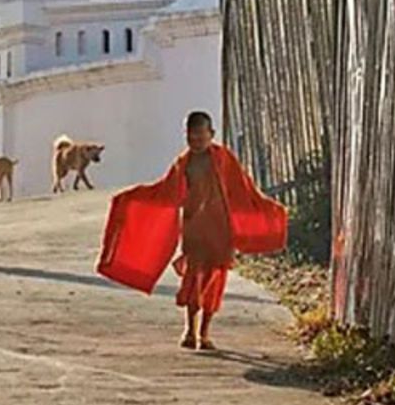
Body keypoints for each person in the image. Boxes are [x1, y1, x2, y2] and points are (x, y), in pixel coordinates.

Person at [97, 110, 286, 352]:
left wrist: (269, 211)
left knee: (214, 280)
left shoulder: (224, 159)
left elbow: (243, 191)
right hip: (194, 228)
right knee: (193, 279)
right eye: (190, 137)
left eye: (200, 136)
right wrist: (132, 199)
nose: (195, 142)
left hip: (220, 230)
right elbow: (165, 192)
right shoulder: (183, 163)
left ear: (211, 134)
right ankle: (189, 329)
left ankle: (204, 333)